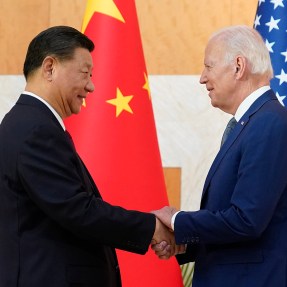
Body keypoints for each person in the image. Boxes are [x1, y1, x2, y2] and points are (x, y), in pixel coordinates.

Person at [0, 26, 175, 287]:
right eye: (85, 74)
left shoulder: (30, 123)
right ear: (50, 67)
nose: (91, 86)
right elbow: (78, 210)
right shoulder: (35, 129)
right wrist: (152, 227)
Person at [152, 25, 287, 287]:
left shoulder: (269, 123)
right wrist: (185, 241)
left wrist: (178, 220)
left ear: (238, 66)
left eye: (209, 66)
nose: (202, 78)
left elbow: (247, 220)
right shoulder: (252, 123)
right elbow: (237, 220)